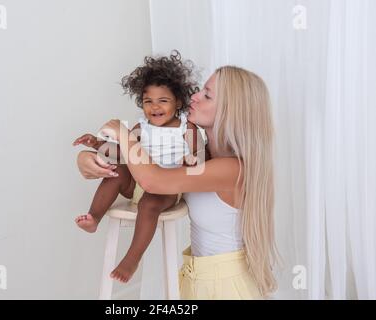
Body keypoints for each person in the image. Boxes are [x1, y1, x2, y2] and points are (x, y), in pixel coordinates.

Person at [77, 65, 278, 299]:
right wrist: (86, 156)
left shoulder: (233, 169)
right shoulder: (206, 158)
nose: (194, 96)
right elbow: (138, 164)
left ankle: (133, 258)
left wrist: (124, 134)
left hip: (226, 288)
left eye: (207, 94)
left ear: (230, 111)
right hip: (196, 282)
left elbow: (153, 181)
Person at [72, 51, 204, 283]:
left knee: (150, 203)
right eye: (148, 101)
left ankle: (133, 257)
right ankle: (94, 217)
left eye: (163, 100)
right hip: (137, 183)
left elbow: (200, 159)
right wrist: (97, 144)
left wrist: (191, 160)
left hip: (166, 187)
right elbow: (123, 153)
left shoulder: (186, 128)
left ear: (179, 102)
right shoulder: (141, 127)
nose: (154, 107)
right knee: (118, 170)